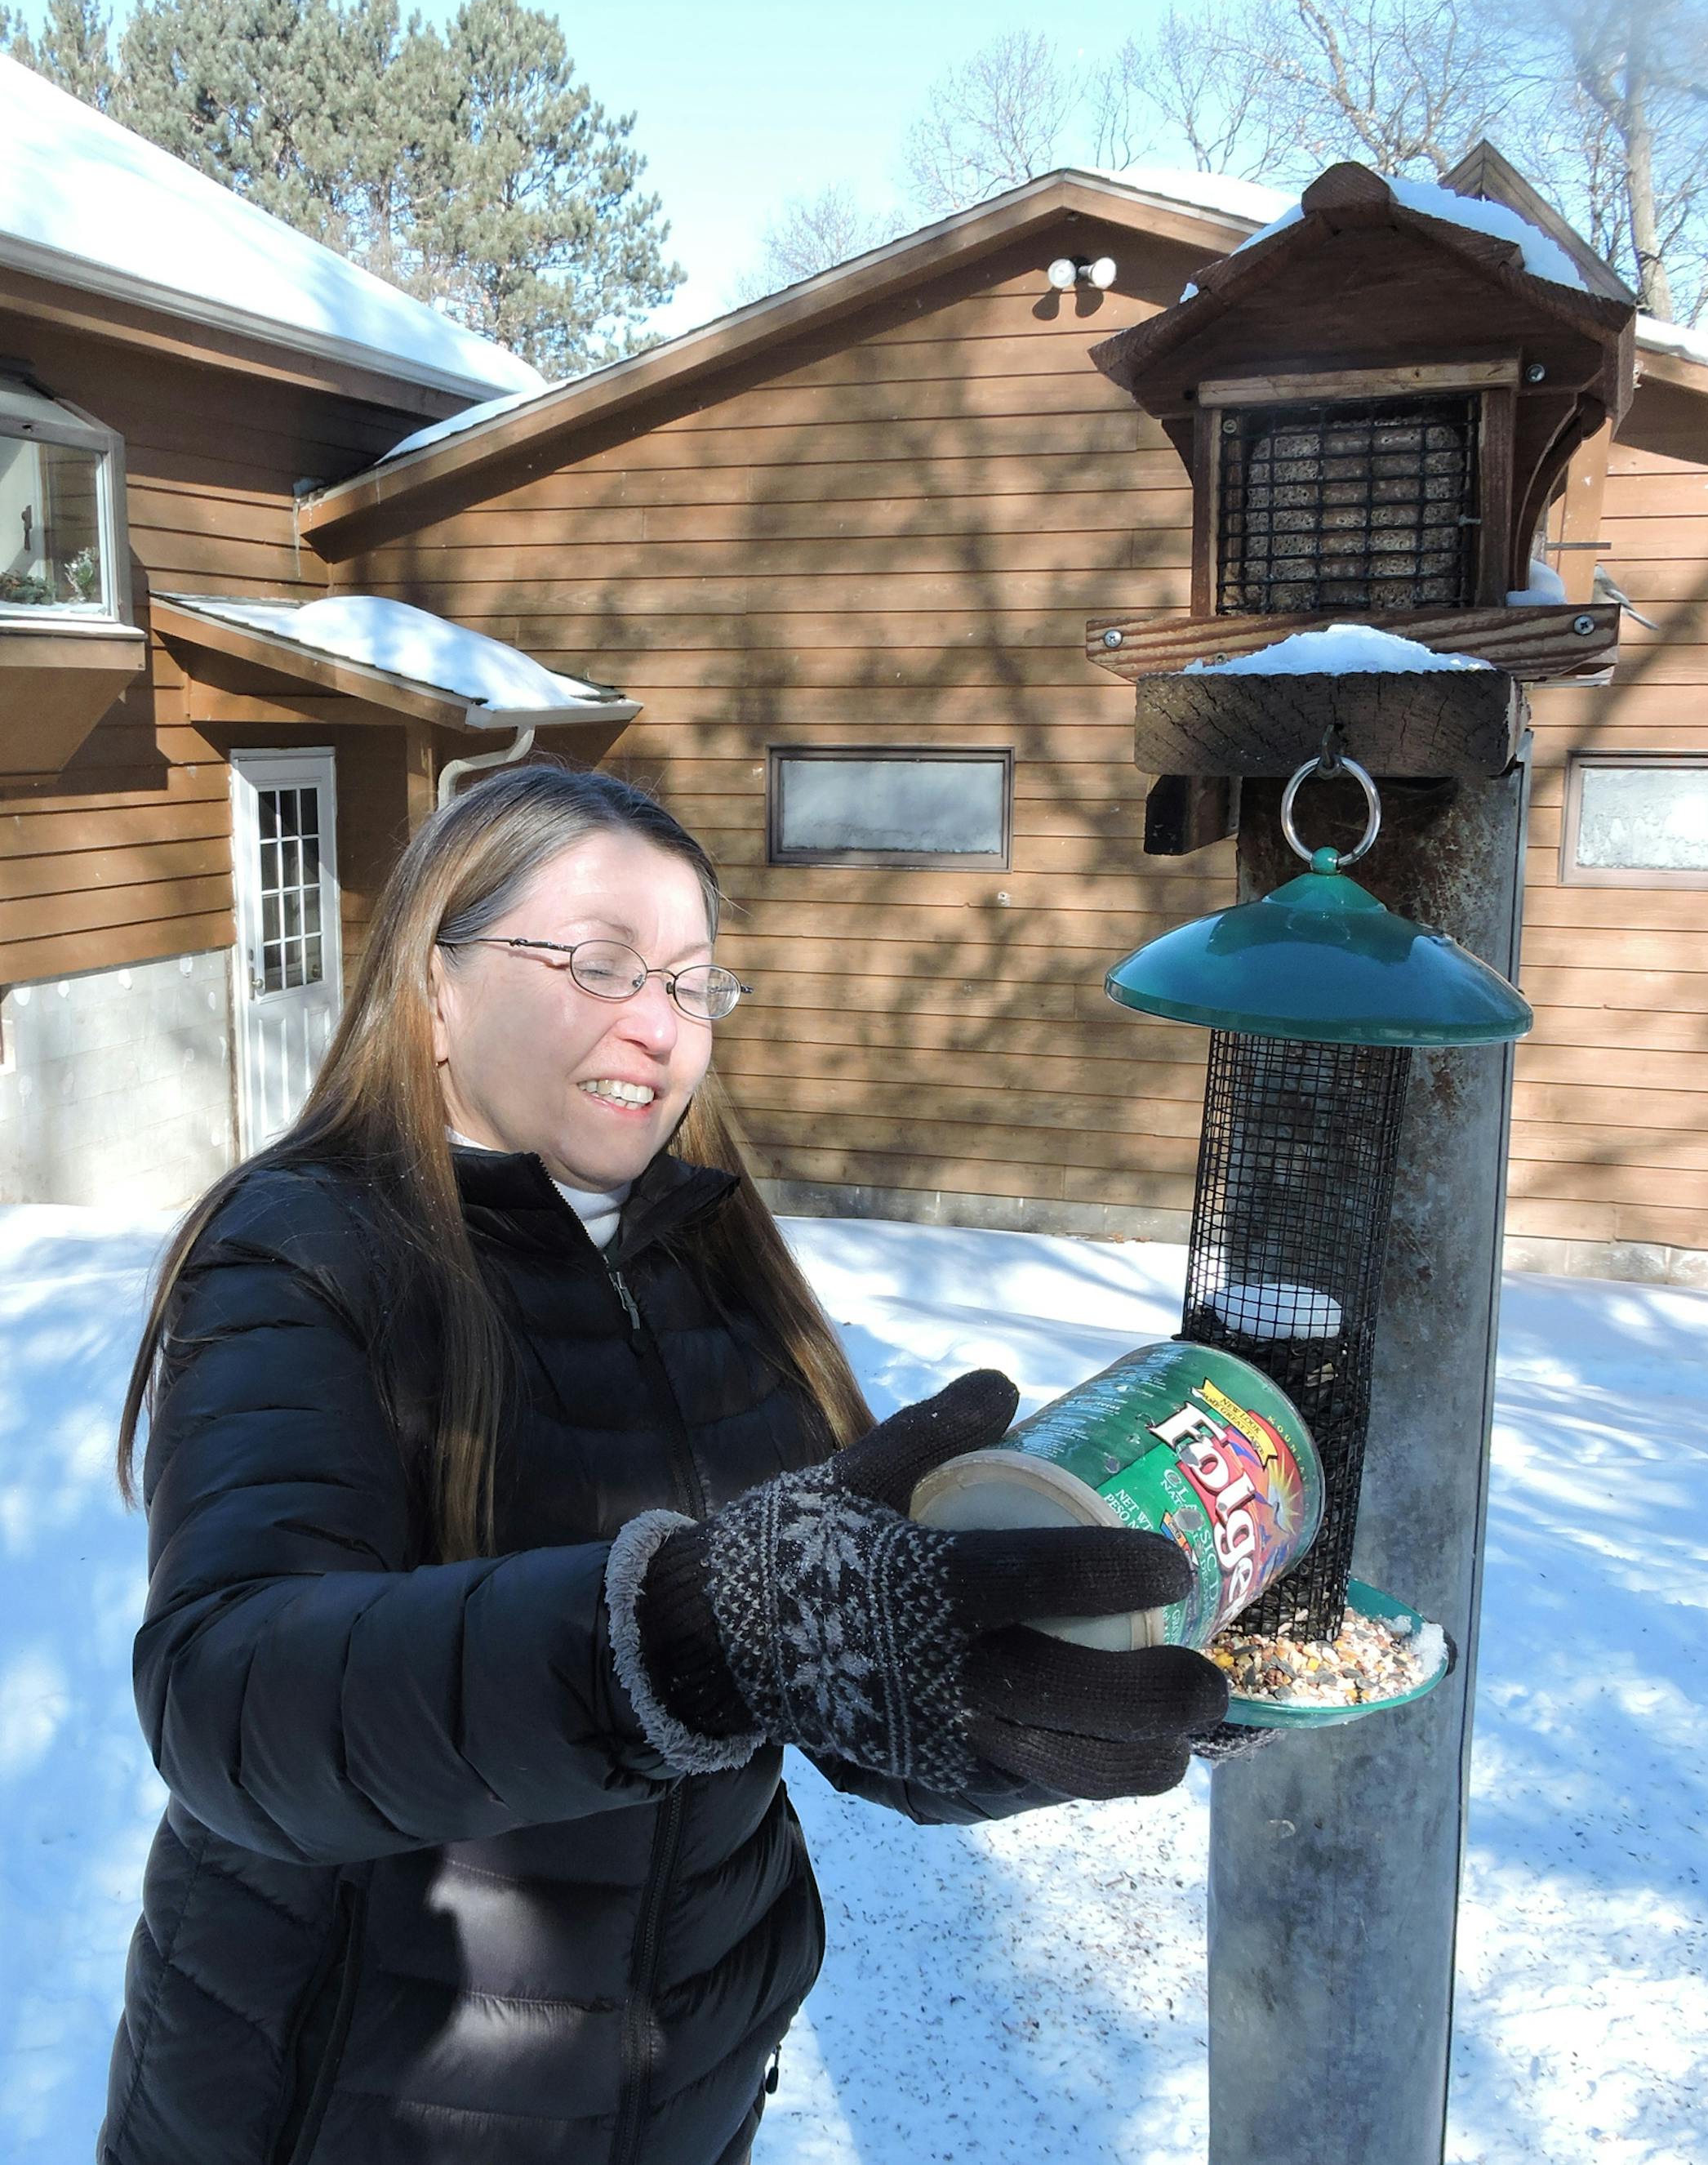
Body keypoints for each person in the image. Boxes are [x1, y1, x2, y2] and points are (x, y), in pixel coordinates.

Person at [98, 764, 1229, 2165]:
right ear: (435, 985)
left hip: (675, 2108)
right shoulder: (306, 1250)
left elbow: (834, 1678)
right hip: (354, 2107)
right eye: (599, 963)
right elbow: (232, 1700)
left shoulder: (716, 1266)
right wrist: (682, 1638)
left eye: (694, 985)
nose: (660, 1024)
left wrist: (1052, 1686)